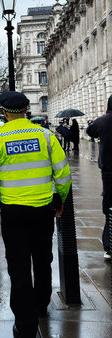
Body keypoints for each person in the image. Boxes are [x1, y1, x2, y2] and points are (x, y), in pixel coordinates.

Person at [0, 91, 72, 338]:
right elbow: (63, 174)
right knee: (43, 260)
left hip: (13, 212)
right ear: (26, 110)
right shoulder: (45, 135)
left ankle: (24, 322)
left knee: (18, 266)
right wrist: (60, 199)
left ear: (5, 112)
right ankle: (41, 305)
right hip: (43, 210)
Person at [86, 94, 112, 261]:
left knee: (109, 210)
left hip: (109, 172)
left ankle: (109, 247)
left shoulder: (104, 121)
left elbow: (90, 131)